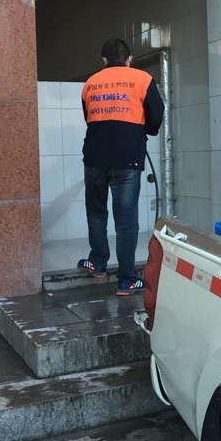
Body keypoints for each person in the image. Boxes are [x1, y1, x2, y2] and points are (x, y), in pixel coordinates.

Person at [77, 39, 165, 296]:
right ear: (130, 58)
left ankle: (98, 262)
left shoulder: (91, 83)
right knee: (126, 222)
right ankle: (127, 279)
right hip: (127, 158)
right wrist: (145, 131)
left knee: (96, 213)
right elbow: (157, 112)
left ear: (104, 60)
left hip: (94, 157)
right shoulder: (142, 79)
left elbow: (89, 117)